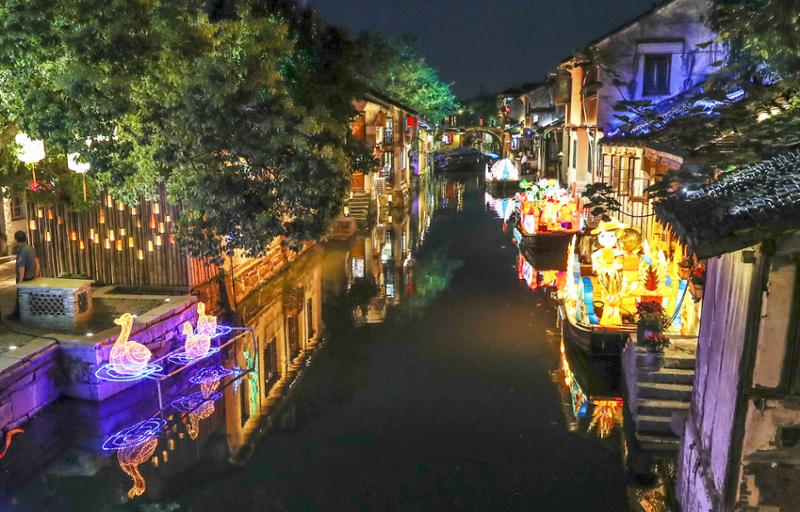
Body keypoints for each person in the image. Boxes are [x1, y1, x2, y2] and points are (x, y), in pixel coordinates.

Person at [10, 231, 39, 319]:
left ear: (16, 240)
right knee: (28, 297)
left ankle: (17, 315)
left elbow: (21, 266)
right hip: (31, 276)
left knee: (21, 297)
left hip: (25, 277)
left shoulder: (22, 251)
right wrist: (36, 272)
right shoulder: (30, 248)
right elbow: (36, 261)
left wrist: (20, 280)